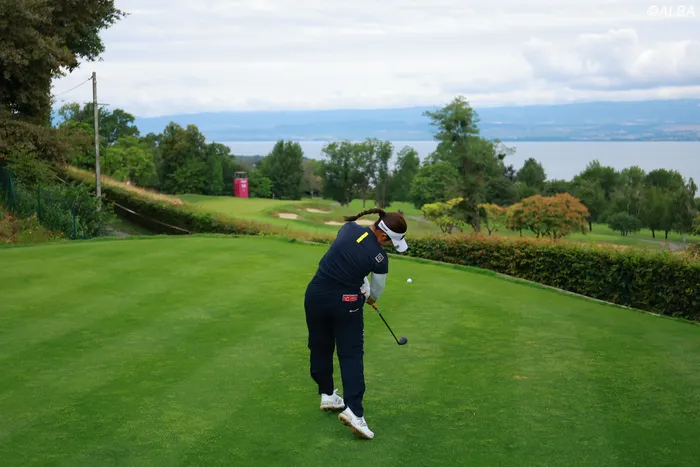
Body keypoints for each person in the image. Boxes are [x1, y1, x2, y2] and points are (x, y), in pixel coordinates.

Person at [303, 208, 408, 440]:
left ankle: (327, 394)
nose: (389, 247)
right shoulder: (380, 258)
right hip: (346, 303)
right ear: (384, 236)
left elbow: (348, 256)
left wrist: (360, 282)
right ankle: (355, 412)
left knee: (320, 346)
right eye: (391, 243)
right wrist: (368, 296)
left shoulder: (349, 228)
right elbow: (376, 293)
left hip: (315, 295)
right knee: (351, 354)